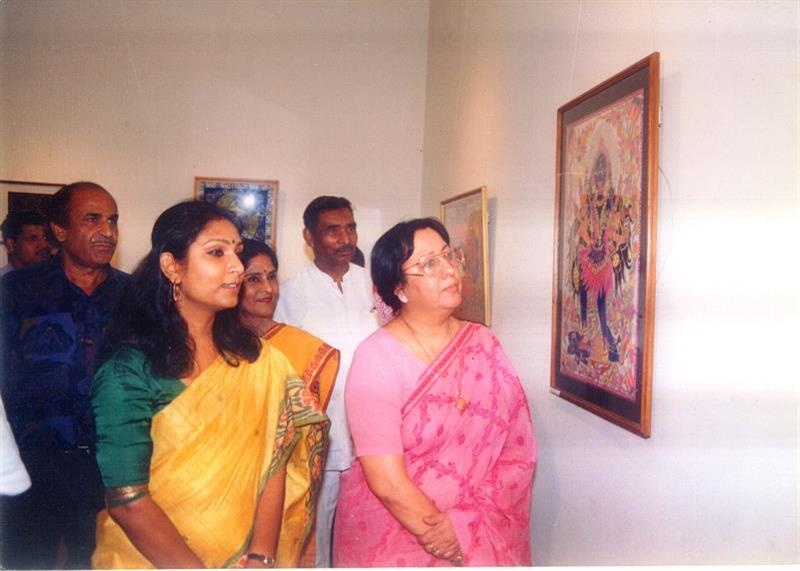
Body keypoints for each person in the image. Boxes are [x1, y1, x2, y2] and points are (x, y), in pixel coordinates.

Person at [91, 201, 328, 569]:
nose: (237, 266)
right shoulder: (129, 370)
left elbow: (275, 459)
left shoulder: (258, 359)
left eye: (237, 252)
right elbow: (128, 501)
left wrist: (262, 557)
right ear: (172, 266)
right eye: (217, 253)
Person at [333, 218, 537, 567]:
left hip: (480, 529)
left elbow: (517, 449)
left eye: (449, 255)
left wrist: (465, 528)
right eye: (429, 263)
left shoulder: (484, 343)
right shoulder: (376, 358)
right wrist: (447, 538)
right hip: (396, 536)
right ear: (399, 288)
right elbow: (386, 481)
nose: (449, 270)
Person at [1, 181, 128, 569]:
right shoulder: (16, 291)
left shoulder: (133, 296)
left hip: (110, 465)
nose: (107, 231)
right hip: (32, 465)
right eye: (93, 219)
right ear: (59, 230)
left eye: (112, 220)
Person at [274, 196, 379, 566]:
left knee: (367, 532)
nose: (345, 239)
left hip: (372, 432)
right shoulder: (290, 293)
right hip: (322, 434)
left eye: (350, 228)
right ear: (309, 236)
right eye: (332, 230)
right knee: (316, 535)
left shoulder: (372, 284)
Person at [237, 239, 339, 413]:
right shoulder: (214, 342)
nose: (268, 288)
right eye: (254, 279)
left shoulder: (306, 348)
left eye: (271, 277)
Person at [0, 210, 50, 275]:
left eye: (45, 238)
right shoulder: (3, 279)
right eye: (33, 239)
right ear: (11, 245)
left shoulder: (54, 277)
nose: (44, 244)